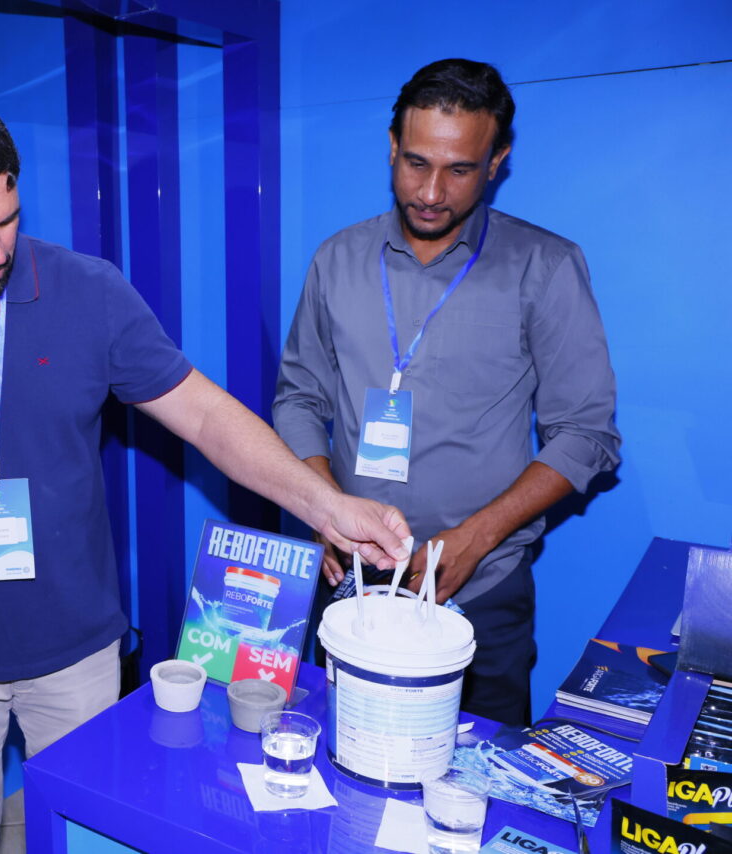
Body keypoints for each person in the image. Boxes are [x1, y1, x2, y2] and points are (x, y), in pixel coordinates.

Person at [0, 84, 411, 854]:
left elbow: (205, 416)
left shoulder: (86, 291)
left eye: (6, 219)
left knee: (88, 840)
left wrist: (327, 505)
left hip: (77, 648)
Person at [274, 58, 621, 725]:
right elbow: (299, 398)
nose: (431, 192)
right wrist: (323, 506)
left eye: (459, 170)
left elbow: (587, 434)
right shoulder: (337, 259)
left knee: (477, 780)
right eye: (416, 163)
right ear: (392, 147)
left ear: (497, 162)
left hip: (478, 589)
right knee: (343, 764)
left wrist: (474, 538)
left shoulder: (544, 267)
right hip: (348, 585)